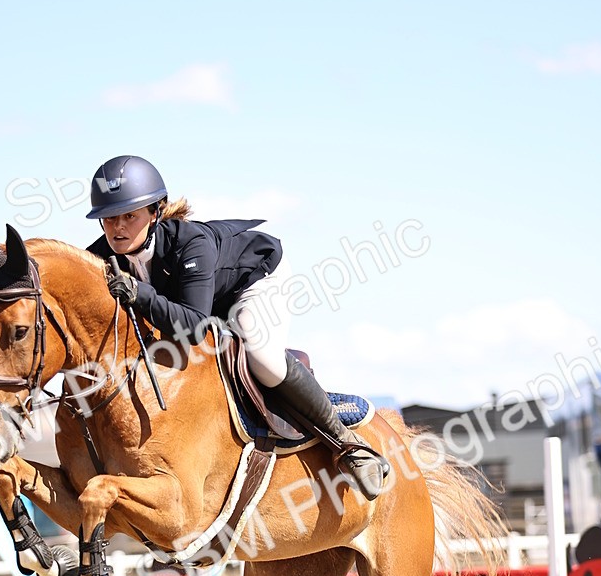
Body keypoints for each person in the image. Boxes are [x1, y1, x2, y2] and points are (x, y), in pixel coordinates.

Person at [85, 154, 388, 498]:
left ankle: (349, 446)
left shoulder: (190, 244)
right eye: (109, 218)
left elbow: (195, 327)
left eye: (129, 216)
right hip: (201, 301)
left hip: (252, 282)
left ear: (155, 212)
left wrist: (141, 296)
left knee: (262, 356)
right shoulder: (100, 256)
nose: (118, 227)